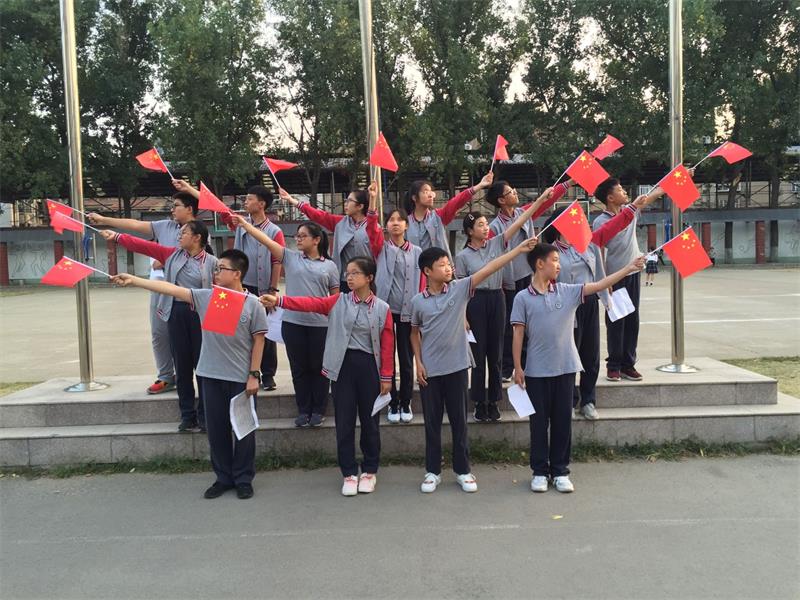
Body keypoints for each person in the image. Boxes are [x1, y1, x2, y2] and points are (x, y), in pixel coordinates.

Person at [111, 249, 267, 500]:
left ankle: (243, 479)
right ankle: (223, 478)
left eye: (221, 269)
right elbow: (172, 290)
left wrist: (254, 375)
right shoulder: (207, 297)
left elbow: (259, 341)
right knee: (216, 430)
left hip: (240, 378)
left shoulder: (253, 304)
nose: (216, 273)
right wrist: (135, 280)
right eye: (216, 268)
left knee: (244, 431)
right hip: (210, 375)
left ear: (237, 274)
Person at [511, 243, 645, 494]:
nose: (558, 265)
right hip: (536, 372)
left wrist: (628, 268)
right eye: (554, 260)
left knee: (563, 422)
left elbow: (600, 284)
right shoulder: (522, 298)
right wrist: (518, 367)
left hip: (565, 369)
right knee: (538, 424)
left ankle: (560, 471)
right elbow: (518, 334)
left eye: (558, 260)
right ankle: (539, 471)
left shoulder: (568, 291)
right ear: (539, 264)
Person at [410, 236, 539, 494]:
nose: (449, 268)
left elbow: (490, 268)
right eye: (442, 265)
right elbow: (414, 332)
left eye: (449, 264)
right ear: (427, 271)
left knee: (460, 421)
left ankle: (463, 470)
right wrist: (418, 363)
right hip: (431, 371)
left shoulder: (459, 289)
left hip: (457, 367)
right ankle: (432, 471)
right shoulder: (417, 302)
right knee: (432, 423)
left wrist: (517, 250)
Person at [260, 257, 394, 497]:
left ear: (369, 277)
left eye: (355, 273)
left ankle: (369, 471)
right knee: (344, 421)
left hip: (369, 369)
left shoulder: (382, 308)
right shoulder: (338, 301)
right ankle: (349, 473)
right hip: (342, 367)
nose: (349, 277)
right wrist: (279, 300)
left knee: (370, 422)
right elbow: (311, 303)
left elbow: (387, 344)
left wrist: (386, 376)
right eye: (347, 273)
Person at [541, 188, 666, 420]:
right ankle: (568, 401)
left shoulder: (589, 244)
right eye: (574, 219)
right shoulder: (550, 253)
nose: (581, 222)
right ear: (561, 225)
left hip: (588, 304)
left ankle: (588, 400)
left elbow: (610, 234)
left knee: (590, 356)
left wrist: (632, 207)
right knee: (567, 355)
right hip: (564, 307)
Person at [100, 222, 217, 431]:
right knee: (182, 367)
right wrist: (117, 237)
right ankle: (187, 416)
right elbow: (143, 246)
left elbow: (221, 291)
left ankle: (205, 416)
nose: (179, 236)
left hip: (201, 317)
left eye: (184, 233)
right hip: (176, 313)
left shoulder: (213, 263)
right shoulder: (171, 255)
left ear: (197, 237)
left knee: (203, 367)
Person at [88, 187, 203, 395]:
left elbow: (193, 257)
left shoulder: (199, 232)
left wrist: (166, 261)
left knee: (190, 339)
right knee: (159, 333)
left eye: (176, 206)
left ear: (190, 209)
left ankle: (198, 378)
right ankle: (166, 376)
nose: (172, 210)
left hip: (186, 292)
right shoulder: (164, 226)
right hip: (159, 287)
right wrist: (104, 219)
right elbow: (135, 225)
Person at [229, 214, 339, 428]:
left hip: (320, 325)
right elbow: (266, 240)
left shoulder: (330, 266)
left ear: (316, 240)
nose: (298, 239)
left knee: (318, 368)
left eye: (303, 236)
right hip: (293, 323)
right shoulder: (290, 257)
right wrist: (245, 225)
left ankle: (318, 410)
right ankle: (303, 410)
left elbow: (334, 300)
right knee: (299, 368)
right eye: (297, 236)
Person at [455, 188, 552, 423]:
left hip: (496, 299)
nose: (485, 228)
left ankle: (494, 401)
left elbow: (519, 221)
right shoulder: (462, 257)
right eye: (480, 225)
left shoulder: (496, 243)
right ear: (470, 232)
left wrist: (541, 199)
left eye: (485, 224)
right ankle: (479, 402)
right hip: (475, 302)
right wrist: (463, 316)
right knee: (478, 355)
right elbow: (459, 291)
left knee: (496, 353)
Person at [174, 181, 283, 391]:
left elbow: (276, 261)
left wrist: (273, 288)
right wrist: (189, 189)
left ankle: (267, 374)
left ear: (261, 204)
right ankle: (234, 368)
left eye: (249, 199)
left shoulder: (274, 231)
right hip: (239, 284)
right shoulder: (239, 223)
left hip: (262, 287)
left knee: (264, 332)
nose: (245, 202)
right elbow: (217, 207)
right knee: (232, 328)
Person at [487, 179, 573, 381]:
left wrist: (568, 184)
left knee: (533, 322)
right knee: (511, 326)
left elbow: (545, 201)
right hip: (509, 280)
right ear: (501, 200)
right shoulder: (495, 227)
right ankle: (507, 366)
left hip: (529, 276)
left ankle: (527, 362)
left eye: (513, 189)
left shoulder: (523, 213)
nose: (515, 192)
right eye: (510, 191)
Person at [279, 183, 383, 291]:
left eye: (349, 201)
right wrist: (292, 200)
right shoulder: (340, 223)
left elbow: (373, 229)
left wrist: (372, 199)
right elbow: (318, 215)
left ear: (360, 206)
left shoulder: (373, 227)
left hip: (366, 280)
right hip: (344, 280)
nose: (345, 203)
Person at [374, 207, 423, 424]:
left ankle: (406, 400)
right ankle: (391, 400)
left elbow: (422, 282)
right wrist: (373, 202)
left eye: (399, 220)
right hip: (386, 311)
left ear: (406, 225)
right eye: (391, 220)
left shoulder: (417, 252)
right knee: (387, 357)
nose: (395, 223)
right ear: (386, 226)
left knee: (406, 358)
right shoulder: (381, 248)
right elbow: (371, 229)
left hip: (407, 311)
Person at [404, 172, 495, 262]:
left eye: (431, 192)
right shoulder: (405, 223)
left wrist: (480, 185)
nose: (431, 195)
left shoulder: (438, 216)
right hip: (414, 270)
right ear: (414, 198)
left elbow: (457, 201)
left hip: (441, 268)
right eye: (425, 192)